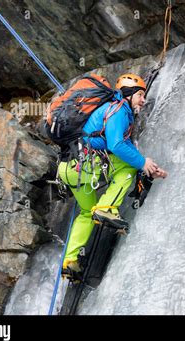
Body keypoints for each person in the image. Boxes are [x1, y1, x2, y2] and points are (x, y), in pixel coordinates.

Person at [58, 73, 167, 276]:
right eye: (140, 95)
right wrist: (143, 163)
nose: (143, 100)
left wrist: (149, 167)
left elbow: (121, 144)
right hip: (85, 163)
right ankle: (107, 207)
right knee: (129, 166)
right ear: (129, 94)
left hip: (68, 168)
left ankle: (70, 261)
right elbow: (116, 144)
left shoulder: (110, 110)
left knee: (86, 212)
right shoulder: (118, 110)